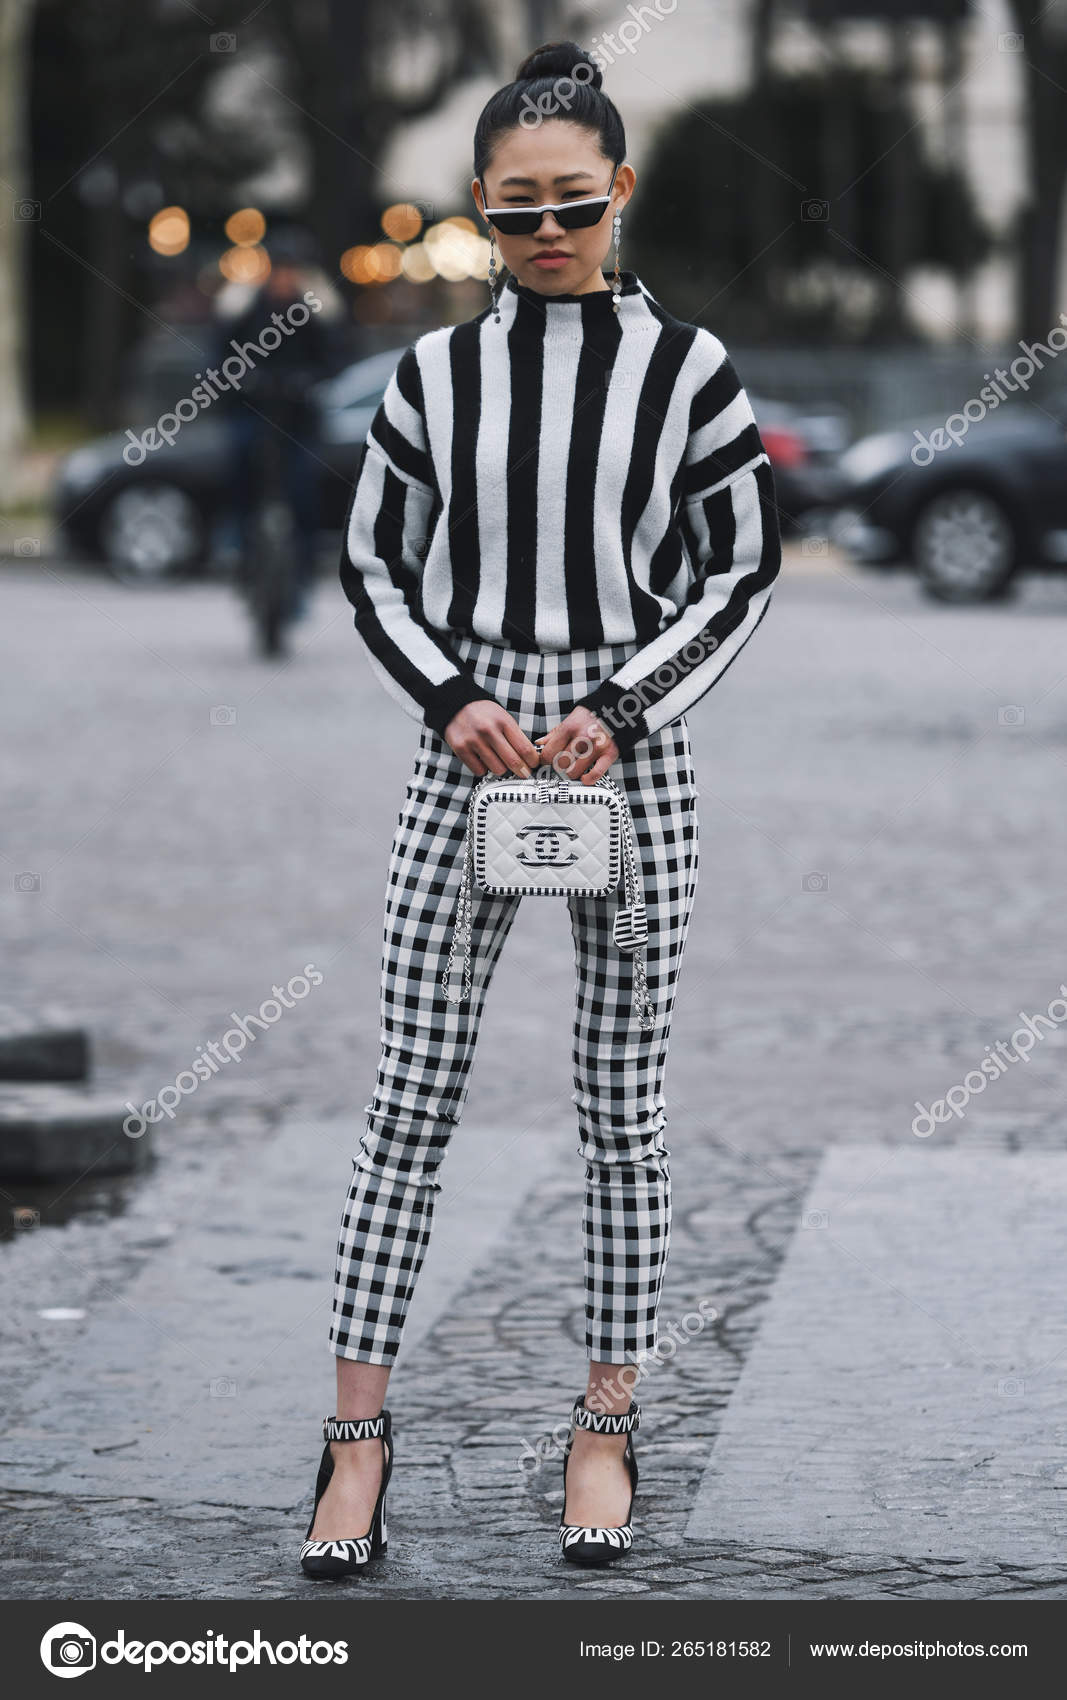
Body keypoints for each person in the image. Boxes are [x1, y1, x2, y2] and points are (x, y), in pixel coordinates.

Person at [297, 39, 782, 1580]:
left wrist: (630, 703)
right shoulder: (428, 377)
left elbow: (740, 563)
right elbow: (372, 561)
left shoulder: (688, 370)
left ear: (617, 193)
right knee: (408, 1101)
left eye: (571, 205)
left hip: (628, 762)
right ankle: (354, 1442)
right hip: (470, 756)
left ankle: (604, 1424)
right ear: (479, 212)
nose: (545, 236)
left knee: (619, 1115)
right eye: (514, 214)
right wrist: (450, 698)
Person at [218, 232, 338, 620]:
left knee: (304, 490)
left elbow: (337, 357)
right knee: (239, 466)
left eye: (290, 272)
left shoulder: (317, 313)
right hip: (252, 412)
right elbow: (218, 357)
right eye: (278, 271)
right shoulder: (245, 309)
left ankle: (300, 577)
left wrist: (310, 383)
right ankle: (239, 550)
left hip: (299, 419)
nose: (284, 279)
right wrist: (239, 382)